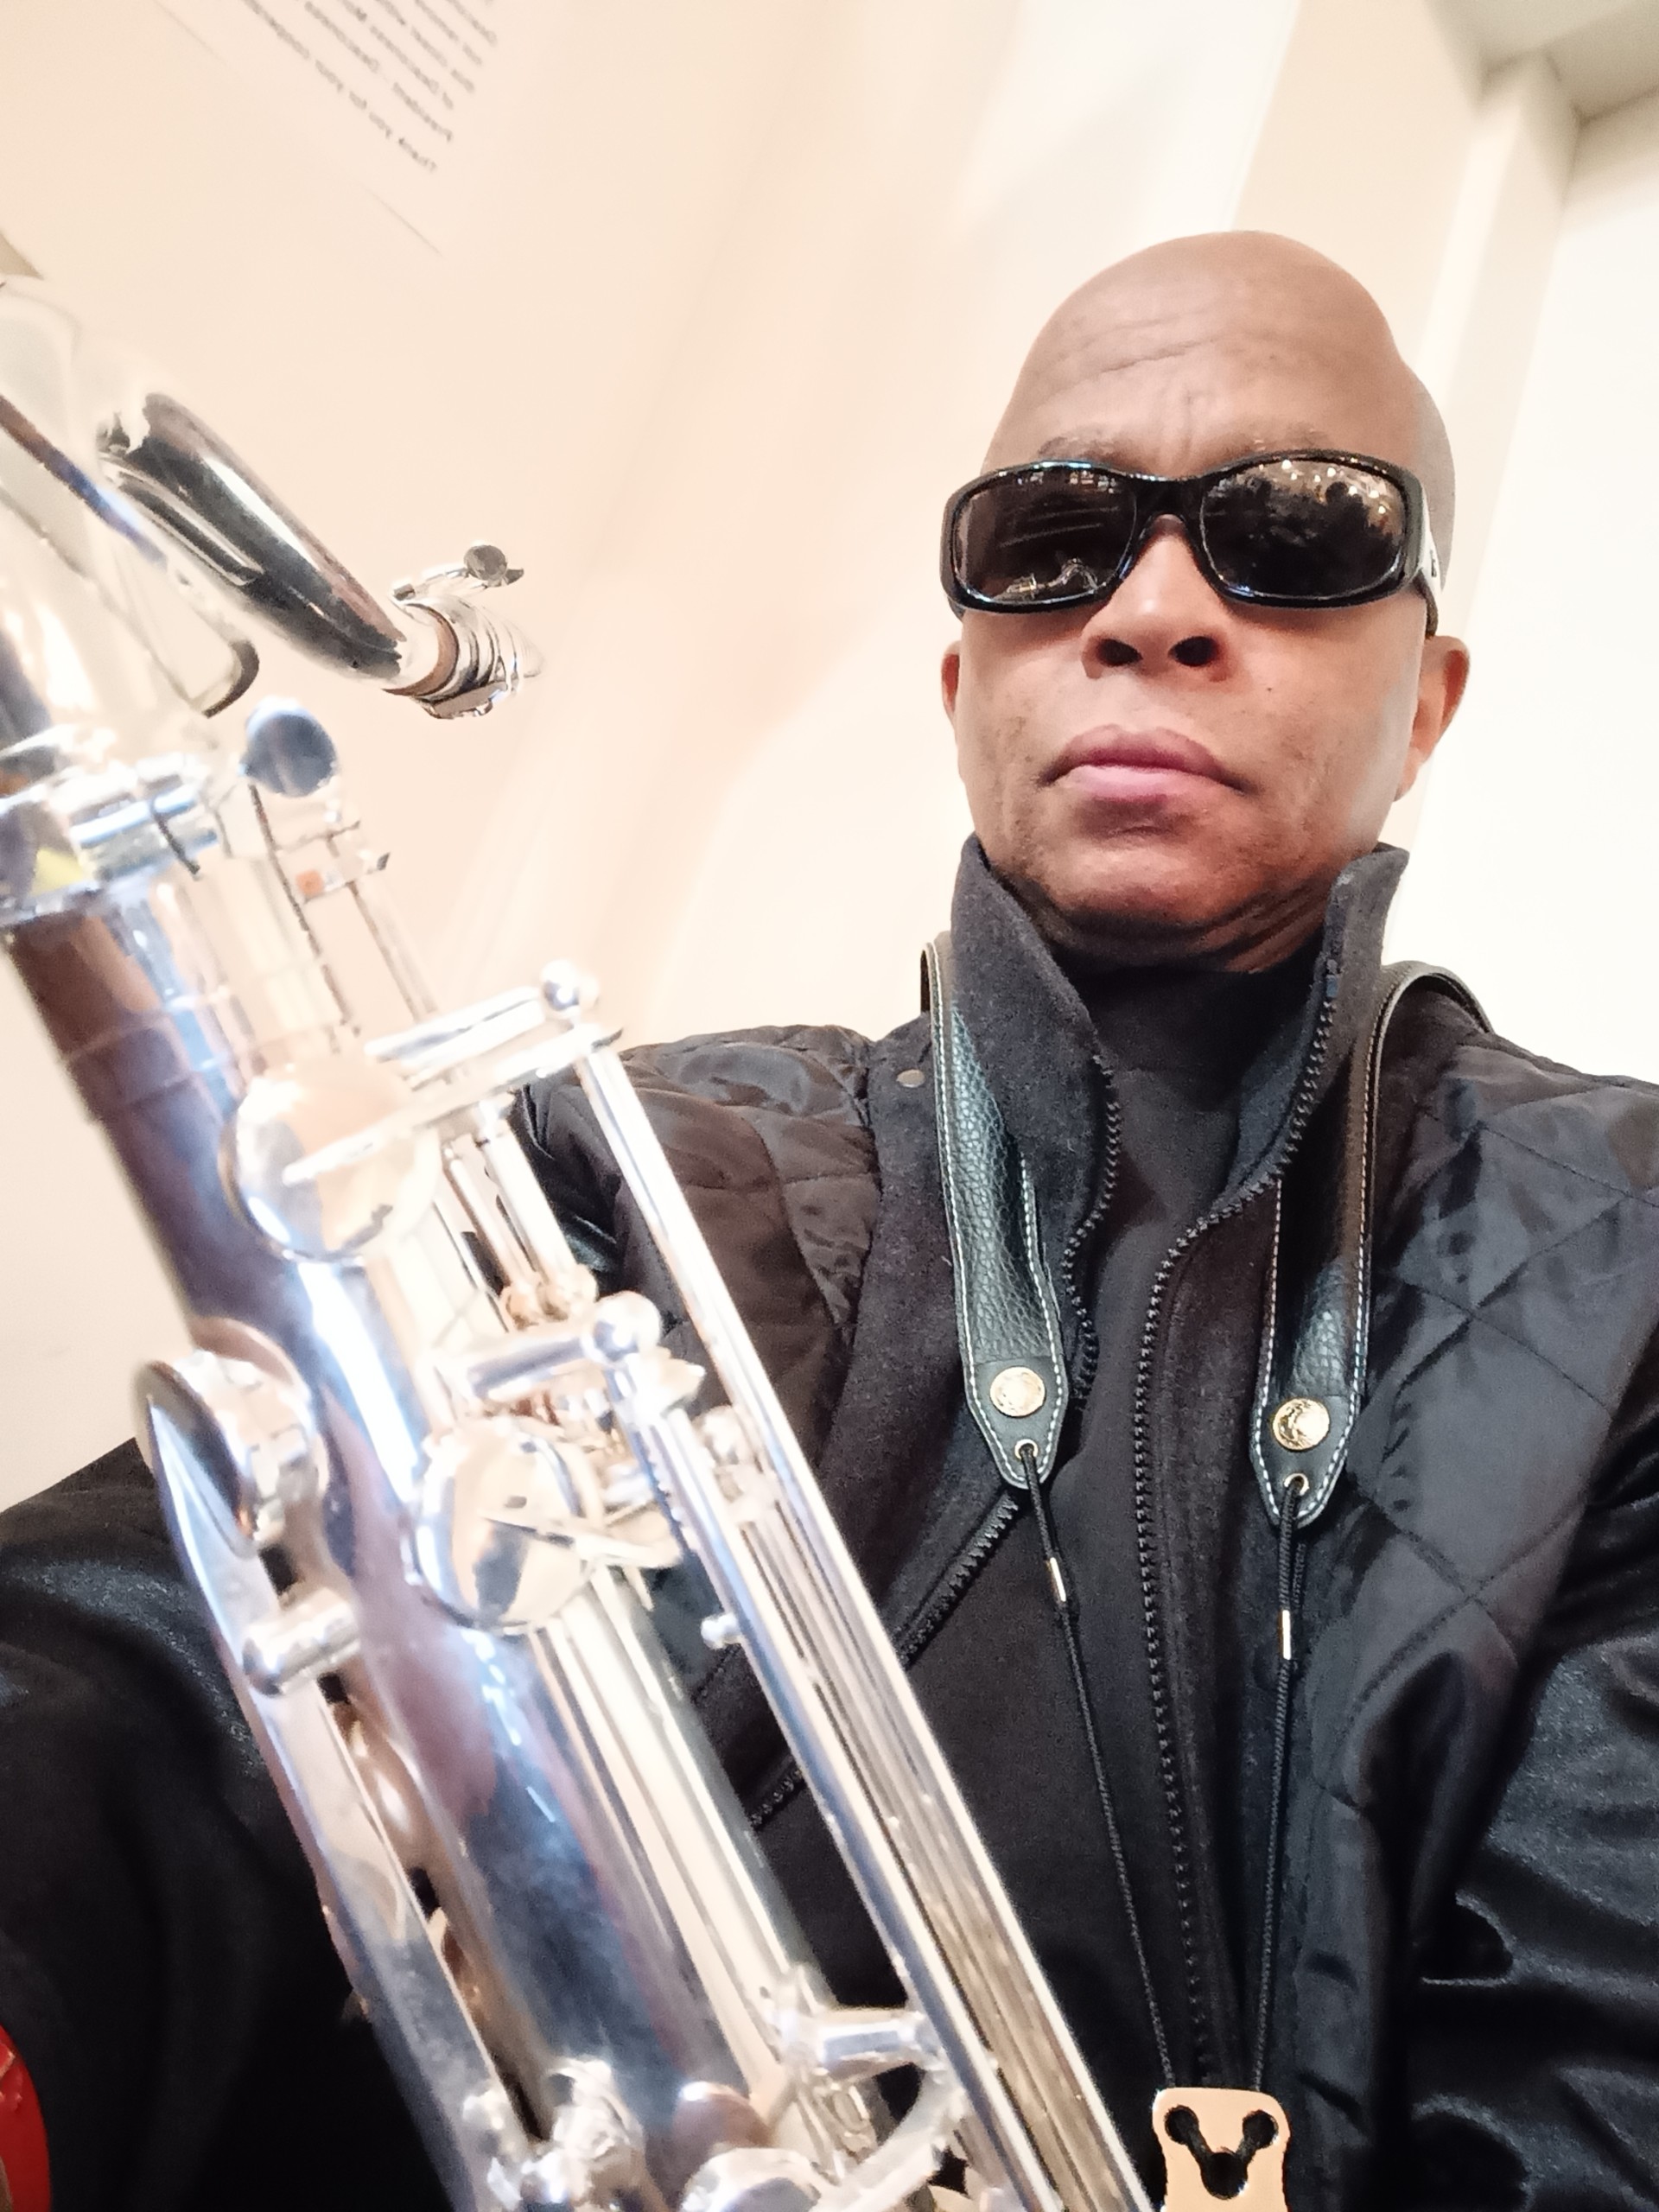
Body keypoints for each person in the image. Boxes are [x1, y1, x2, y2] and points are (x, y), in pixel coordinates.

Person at [3, 228, 1658, 2212]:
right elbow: (158, 1649)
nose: (1151, 608)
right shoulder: (624, 1150)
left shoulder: (1626, 1242)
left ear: (1429, 699)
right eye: (1053, 537)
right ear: (965, 680)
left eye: (1297, 533)